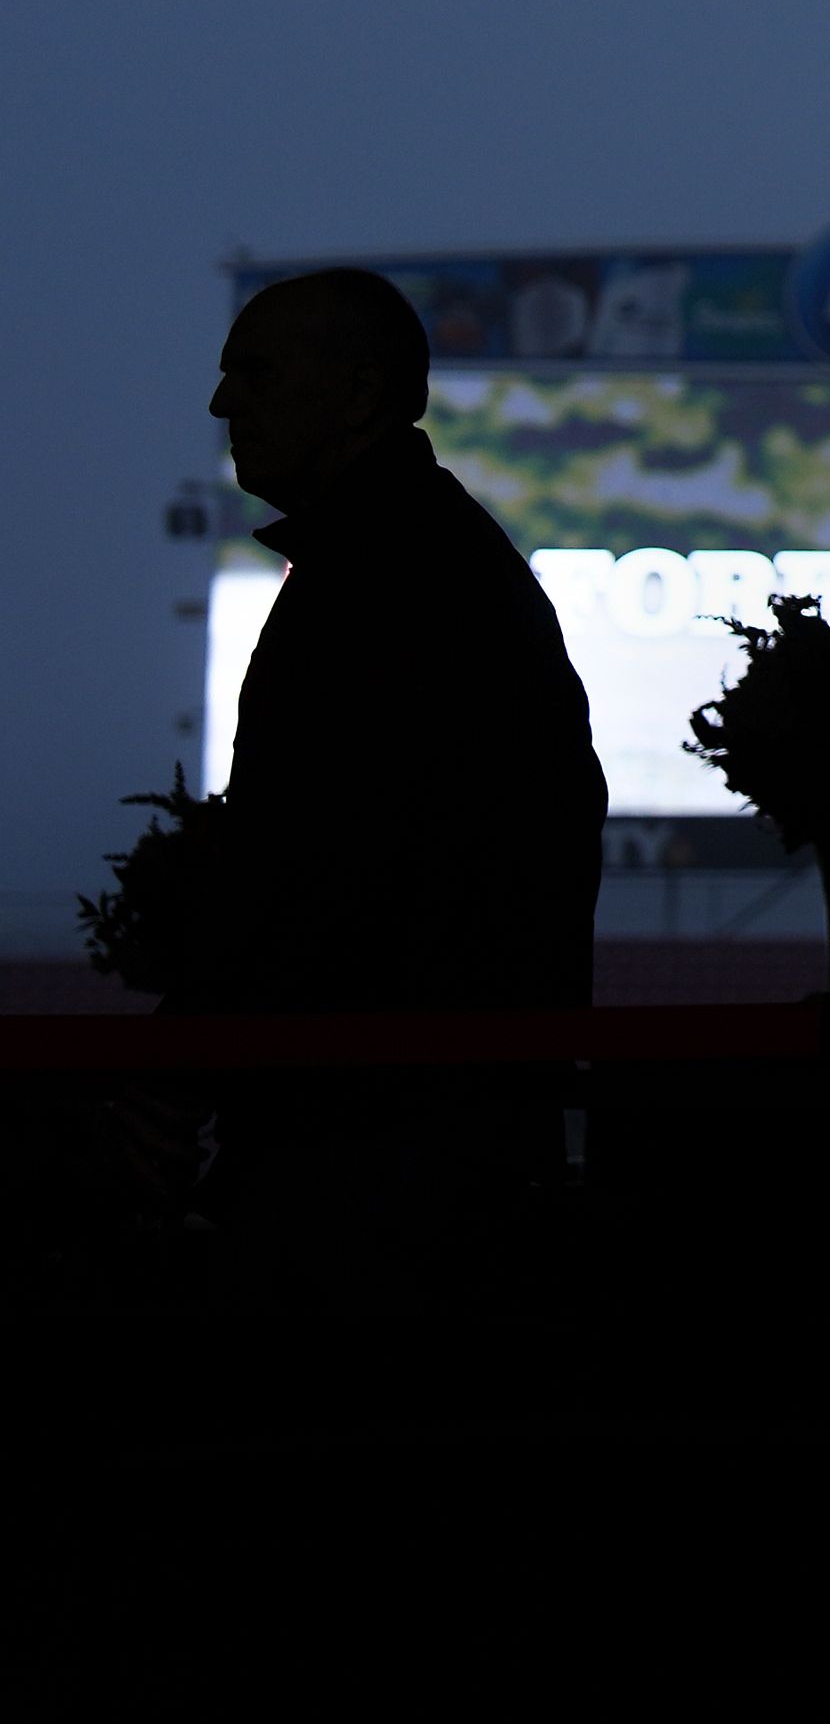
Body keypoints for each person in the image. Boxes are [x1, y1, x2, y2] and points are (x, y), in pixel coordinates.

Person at [194, 269, 607, 1251]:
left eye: (253, 372)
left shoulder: (389, 575)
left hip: (373, 1166)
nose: (222, 402)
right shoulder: (415, 555)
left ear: (359, 391)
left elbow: (323, 876)